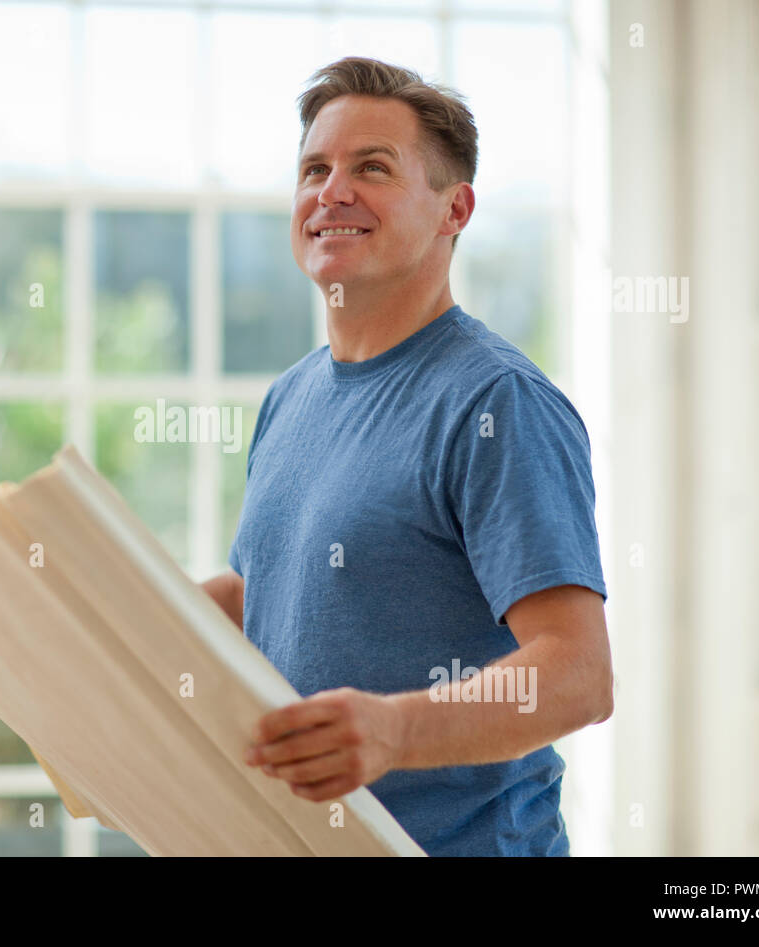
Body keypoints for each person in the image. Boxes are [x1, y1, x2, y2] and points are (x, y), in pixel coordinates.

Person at [199, 56, 612, 856]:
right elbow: (273, 594)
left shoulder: (497, 403)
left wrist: (395, 729)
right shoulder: (293, 396)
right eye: (314, 169)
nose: (331, 192)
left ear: (454, 208)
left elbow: (577, 674)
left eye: (372, 168)